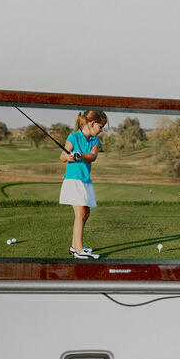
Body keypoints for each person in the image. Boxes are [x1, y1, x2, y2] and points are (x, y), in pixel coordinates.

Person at [60, 110, 109, 259]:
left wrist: (79, 154)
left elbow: (93, 157)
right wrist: (68, 157)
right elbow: (62, 156)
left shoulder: (95, 141)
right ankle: (80, 250)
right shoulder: (73, 137)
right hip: (73, 180)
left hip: (85, 180)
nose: (101, 130)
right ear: (93, 123)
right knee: (80, 214)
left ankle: (74, 246)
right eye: (100, 127)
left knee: (86, 213)